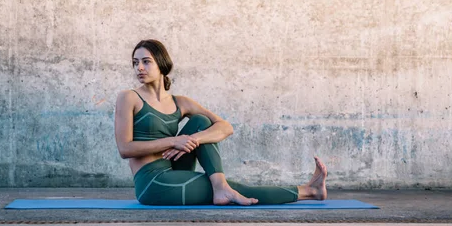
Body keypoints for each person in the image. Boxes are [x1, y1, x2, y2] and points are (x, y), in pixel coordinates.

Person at [115, 39, 328, 206]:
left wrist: (194, 139)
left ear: (161, 63)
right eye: (135, 63)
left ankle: (219, 185)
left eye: (146, 61)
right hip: (152, 184)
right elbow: (125, 149)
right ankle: (308, 190)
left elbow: (225, 127)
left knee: (201, 121)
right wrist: (174, 141)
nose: (139, 68)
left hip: (174, 170)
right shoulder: (129, 97)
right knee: (236, 189)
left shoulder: (180, 102)